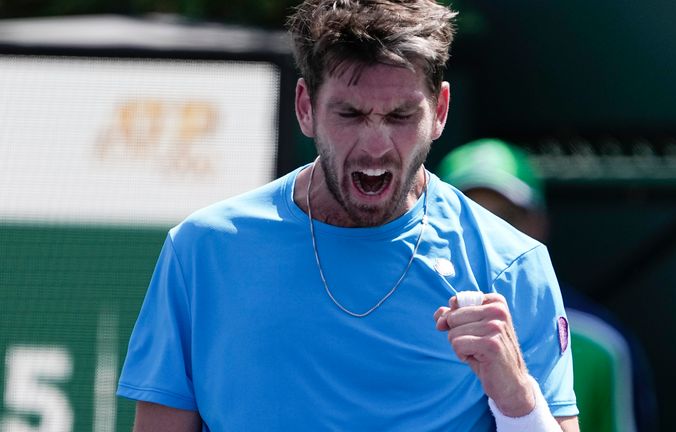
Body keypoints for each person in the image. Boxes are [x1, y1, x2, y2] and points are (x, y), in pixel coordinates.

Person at [117, 1, 579, 431]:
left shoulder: (512, 264)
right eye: (350, 114)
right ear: (306, 108)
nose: (375, 145)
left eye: (401, 116)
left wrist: (519, 399)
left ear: (438, 111)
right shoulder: (202, 250)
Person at [438, 138, 659, 432]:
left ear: (538, 224)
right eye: (468, 216)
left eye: (505, 218)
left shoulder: (599, 346)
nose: (487, 234)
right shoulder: (400, 329)